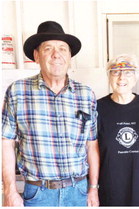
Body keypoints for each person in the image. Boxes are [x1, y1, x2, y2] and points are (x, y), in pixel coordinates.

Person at [2, 21, 100, 207]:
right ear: (36, 56)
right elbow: (6, 144)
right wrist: (9, 190)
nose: (57, 54)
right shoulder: (17, 91)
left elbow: (91, 145)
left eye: (63, 49)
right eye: (48, 48)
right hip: (37, 194)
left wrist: (93, 188)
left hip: (78, 192)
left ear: (70, 56)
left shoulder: (86, 95)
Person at [97, 54, 139, 206]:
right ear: (109, 76)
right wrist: (92, 189)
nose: (121, 77)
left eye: (128, 72)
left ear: (136, 78)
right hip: (108, 192)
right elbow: (91, 154)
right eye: (115, 72)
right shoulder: (98, 108)